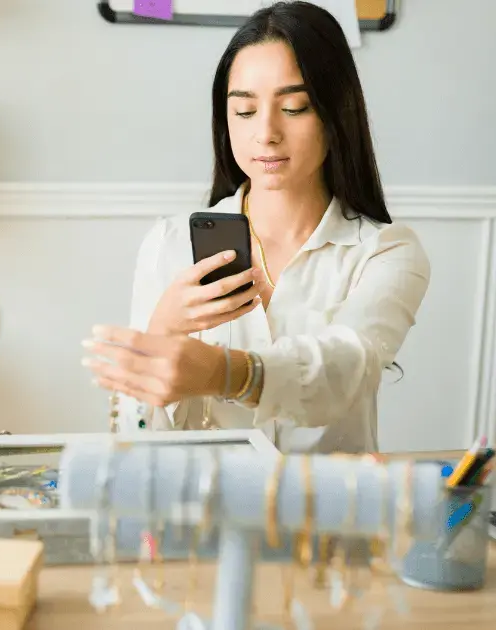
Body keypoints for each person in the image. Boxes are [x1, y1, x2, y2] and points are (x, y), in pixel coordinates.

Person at [82, 1, 431, 453]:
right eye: (244, 112)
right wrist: (163, 333)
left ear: (336, 114)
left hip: (325, 515)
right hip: (202, 513)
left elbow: (347, 368)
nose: (265, 132)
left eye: (295, 107)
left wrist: (226, 371)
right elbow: (135, 439)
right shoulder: (169, 246)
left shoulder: (385, 251)